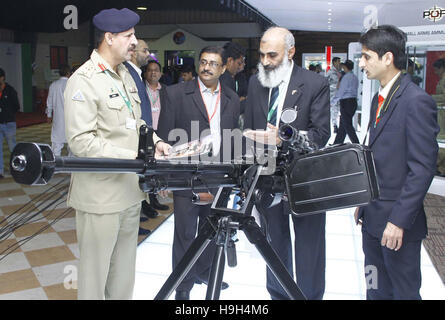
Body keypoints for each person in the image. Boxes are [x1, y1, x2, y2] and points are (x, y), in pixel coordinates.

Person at [63, 8, 169, 300]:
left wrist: (156, 141)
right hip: (100, 197)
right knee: (95, 276)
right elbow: (81, 142)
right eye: (128, 36)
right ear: (109, 38)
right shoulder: (83, 80)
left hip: (129, 192)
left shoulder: (125, 75)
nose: (134, 41)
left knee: (124, 273)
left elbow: (138, 123)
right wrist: (136, 155)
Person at [244, 27, 330, 300]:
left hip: (306, 181)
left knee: (309, 249)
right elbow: (249, 129)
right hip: (268, 179)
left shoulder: (315, 84)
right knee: (274, 246)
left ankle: (309, 297)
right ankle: (279, 296)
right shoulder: (255, 83)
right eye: (262, 55)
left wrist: (281, 138)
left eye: (272, 55)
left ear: (291, 52)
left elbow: (320, 135)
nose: (266, 61)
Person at [355, 25, 439, 300]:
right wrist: (363, 200)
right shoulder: (379, 99)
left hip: (397, 225)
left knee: (402, 293)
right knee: (375, 287)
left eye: (367, 56)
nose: (361, 63)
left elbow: (422, 168)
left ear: (387, 58)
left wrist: (399, 221)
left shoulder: (416, 101)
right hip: (372, 217)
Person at [157, 46, 240, 300]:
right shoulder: (176, 93)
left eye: (213, 64)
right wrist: (164, 176)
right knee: (184, 232)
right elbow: (164, 137)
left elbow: (232, 138)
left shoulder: (232, 98)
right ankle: (182, 287)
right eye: (203, 62)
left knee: (212, 228)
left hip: (217, 174)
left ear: (223, 68)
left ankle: (205, 273)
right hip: (186, 175)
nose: (206, 67)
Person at [124, 39, 163, 220]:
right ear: (133, 51)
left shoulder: (135, 74)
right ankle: (135, 214)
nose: (148, 54)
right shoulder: (128, 75)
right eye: (145, 50)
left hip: (146, 134)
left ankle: (141, 209)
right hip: (135, 137)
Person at [142, 59, 170, 211]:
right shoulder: (140, 89)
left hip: (161, 133)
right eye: (150, 70)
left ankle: (154, 199)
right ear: (145, 73)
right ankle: (144, 203)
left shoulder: (166, 90)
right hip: (145, 133)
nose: (153, 72)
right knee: (145, 167)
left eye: (156, 70)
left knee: (158, 167)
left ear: (161, 73)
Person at [331, 59, 360, 144]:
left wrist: (332, 102)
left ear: (345, 67)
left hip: (346, 102)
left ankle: (356, 144)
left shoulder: (346, 77)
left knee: (347, 125)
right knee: (343, 125)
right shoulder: (355, 77)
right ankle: (336, 144)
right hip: (353, 102)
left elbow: (341, 92)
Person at [46, 64, 72, 156]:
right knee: (72, 145)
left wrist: (49, 115)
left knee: (56, 144)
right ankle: (71, 167)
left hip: (58, 118)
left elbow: (49, 101)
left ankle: (56, 166)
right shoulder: (72, 84)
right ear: (69, 73)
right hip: (71, 119)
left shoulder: (53, 85)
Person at [0, 67, 20, 178]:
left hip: (9, 124)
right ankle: (0, 171)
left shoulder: (10, 90)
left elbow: (16, 106)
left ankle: (16, 168)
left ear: (2, 78)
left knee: (13, 147)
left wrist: (7, 111)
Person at [326, 57, 342, 133]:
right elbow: (325, 83)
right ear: (334, 62)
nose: (339, 63)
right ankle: (334, 125)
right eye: (338, 61)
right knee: (334, 110)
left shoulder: (340, 72)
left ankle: (339, 125)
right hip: (333, 95)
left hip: (340, 95)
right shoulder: (330, 72)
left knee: (339, 110)